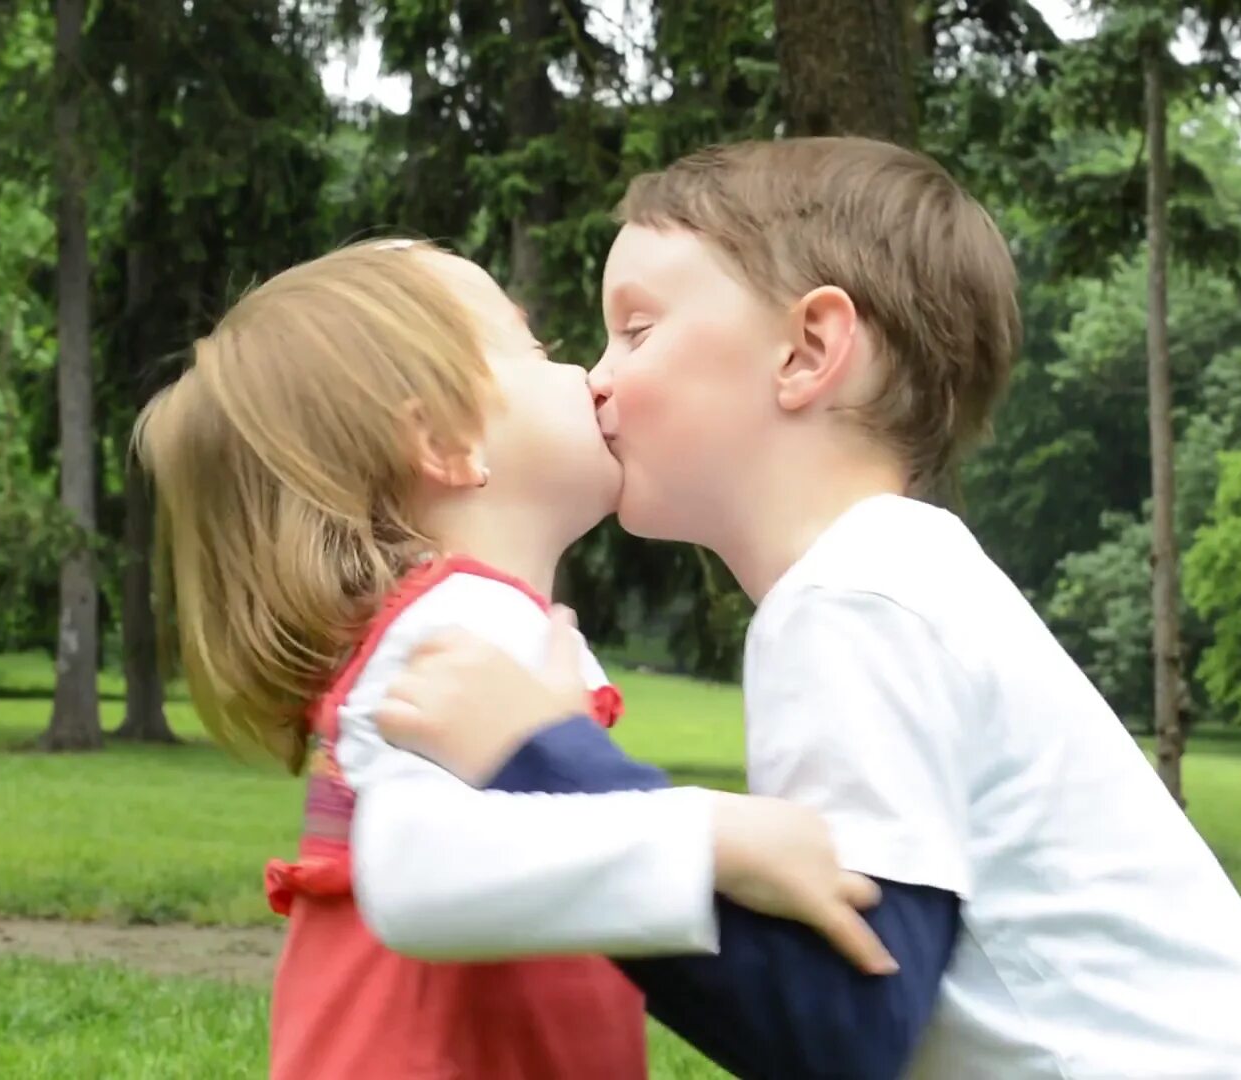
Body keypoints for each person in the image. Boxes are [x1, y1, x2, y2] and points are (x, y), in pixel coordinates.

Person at [376, 136, 1241, 1079]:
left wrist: (547, 763)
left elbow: (846, 1028)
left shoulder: (856, 599)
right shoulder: (887, 580)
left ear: (807, 349)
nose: (599, 375)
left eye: (639, 328)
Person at [131, 237, 893, 1080]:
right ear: (446, 441)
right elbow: (414, 872)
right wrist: (715, 836)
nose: (592, 377)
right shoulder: (457, 627)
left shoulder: (470, 624)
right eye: (536, 350)